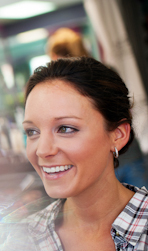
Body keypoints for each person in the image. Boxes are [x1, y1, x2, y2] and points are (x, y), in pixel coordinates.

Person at [0, 56, 148, 251]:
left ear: (118, 135)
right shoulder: (18, 242)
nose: (42, 150)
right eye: (32, 132)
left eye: (65, 128)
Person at [46, 27, 147, 188]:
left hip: (107, 164)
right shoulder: (107, 72)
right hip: (124, 156)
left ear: (58, 57)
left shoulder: (66, 90)